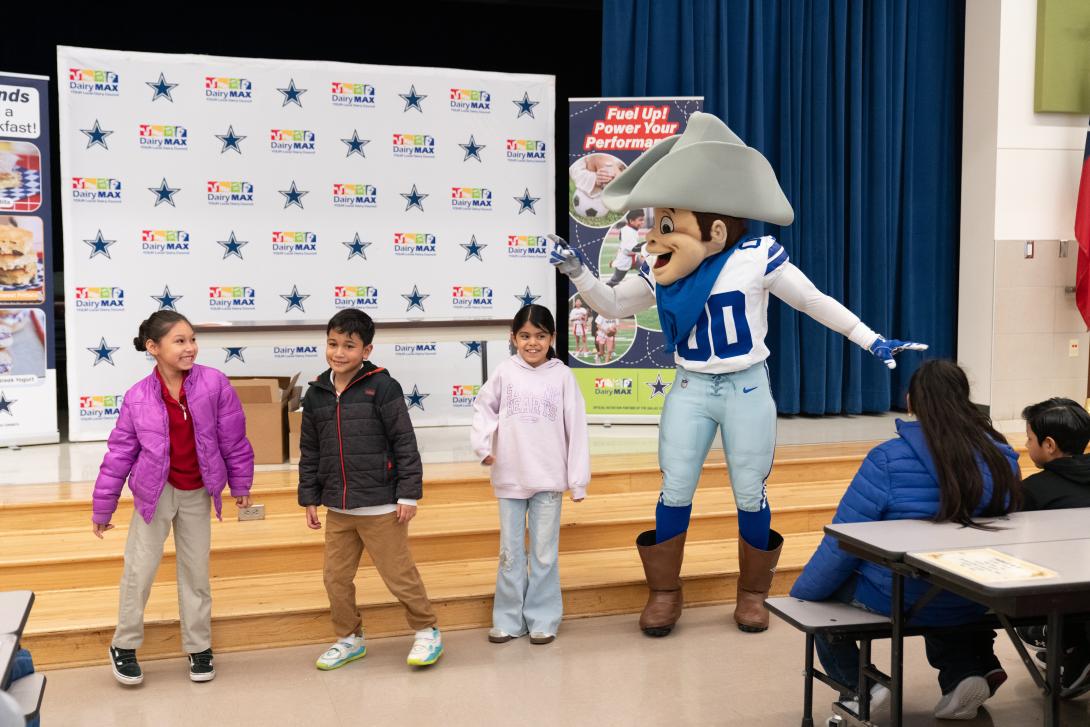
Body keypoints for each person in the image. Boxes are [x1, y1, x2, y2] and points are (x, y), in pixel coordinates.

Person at [548, 112, 926, 637]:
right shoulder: (661, 272)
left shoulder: (756, 257)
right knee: (675, 489)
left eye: (668, 223)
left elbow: (813, 301)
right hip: (691, 386)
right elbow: (611, 306)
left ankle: (752, 593)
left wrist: (869, 337)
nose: (657, 236)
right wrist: (576, 270)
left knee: (750, 492)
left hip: (746, 385)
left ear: (716, 227)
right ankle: (664, 591)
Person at [791, 360, 1021, 721]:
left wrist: (804, 592)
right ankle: (964, 673)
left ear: (911, 401)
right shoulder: (1002, 456)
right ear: (964, 400)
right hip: (977, 590)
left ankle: (862, 688)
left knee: (822, 607)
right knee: (942, 588)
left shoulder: (887, 459)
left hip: (901, 595)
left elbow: (845, 540)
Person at [92, 311, 254, 686]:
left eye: (192, 339)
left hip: (198, 490)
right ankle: (124, 645)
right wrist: (104, 506)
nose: (190, 348)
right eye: (179, 341)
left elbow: (234, 439)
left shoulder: (214, 384)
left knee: (196, 573)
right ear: (154, 348)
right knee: (139, 570)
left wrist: (241, 485)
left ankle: (199, 646)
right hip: (154, 492)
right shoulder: (137, 397)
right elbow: (119, 455)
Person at [298, 308, 443, 670]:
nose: (339, 352)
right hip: (339, 507)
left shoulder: (383, 387)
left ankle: (427, 630)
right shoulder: (316, 393)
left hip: (381, 506)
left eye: (349, 345)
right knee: (335, 579)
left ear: (366, 350)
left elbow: (404, 442)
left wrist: (408, 493)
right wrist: (309, 497)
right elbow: (310, 451)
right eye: (332, 344)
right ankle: (349, 638)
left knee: (399, 576)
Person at [471, 305, 590, 644]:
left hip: (549, 479)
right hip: (510, 477)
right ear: (513, 338)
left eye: (540, 336)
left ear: (552, 338)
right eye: (525, 336)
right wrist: (484, 447)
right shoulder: (504, 372)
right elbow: (483, 408)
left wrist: (577, 479)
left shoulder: (563, 376)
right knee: (510, 551)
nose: (532, 343)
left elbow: (577, 429)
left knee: (543, 552)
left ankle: (543, 618)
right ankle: (508, 619)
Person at [1018, 397, 1090, 698]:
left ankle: (1069, 646)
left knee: (1025, 616)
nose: (1025, 445)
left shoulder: (1034, 490)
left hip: (1062, 592)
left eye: (1030, 438)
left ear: (1049, 445)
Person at [607, 210, 647, 286]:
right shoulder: (627, 231)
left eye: (643, 219)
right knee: (615, 280)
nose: (643, 222)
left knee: (647, 270)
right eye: (640, 220)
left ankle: (650, 286)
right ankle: (606, 290)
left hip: (633, 257)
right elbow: (634, 248)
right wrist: (649, 243)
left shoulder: (631, 229)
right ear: (631, 221)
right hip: (624, 260)